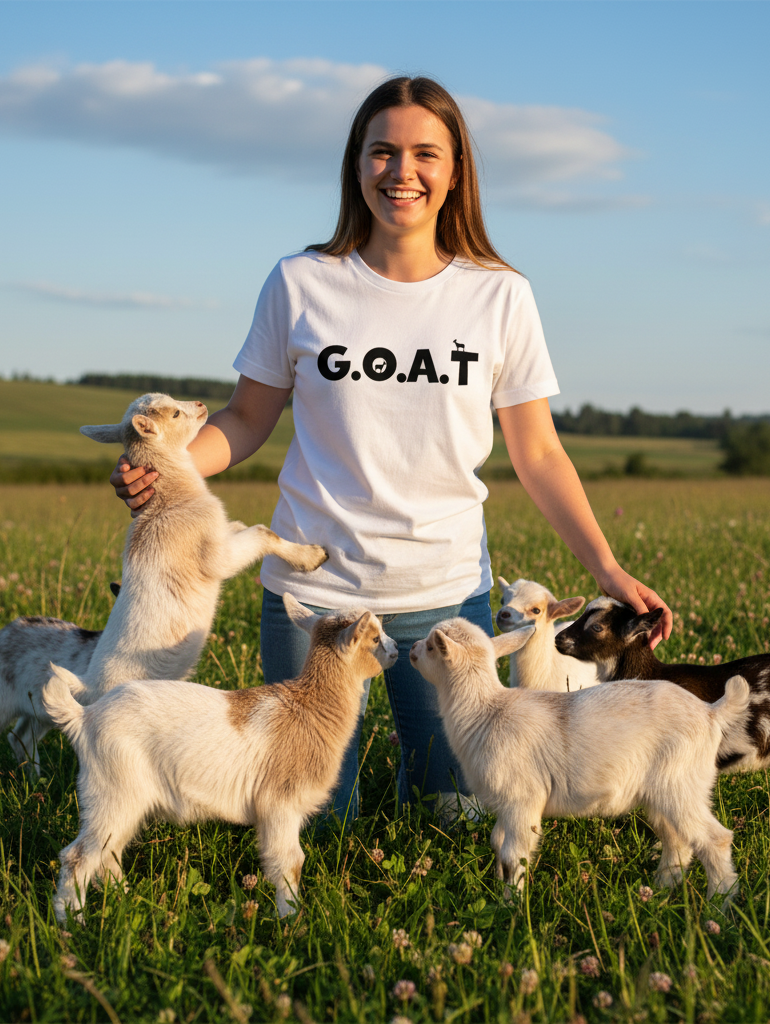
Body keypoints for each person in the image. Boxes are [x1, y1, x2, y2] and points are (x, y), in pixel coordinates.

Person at [112, 76, 672, 822]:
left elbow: (537, 452)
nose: (400, 172)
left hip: (444, 599)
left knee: (457, 812)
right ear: (357, 165)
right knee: (310, 816)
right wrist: (169, 469)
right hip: (315, 605)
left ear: (456, 171)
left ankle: (425, 784)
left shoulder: (500, 295)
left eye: (423, 154)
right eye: (381, 152)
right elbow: (247, 418)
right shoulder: (301, 282)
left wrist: (607, 568)